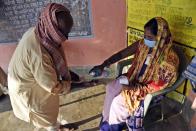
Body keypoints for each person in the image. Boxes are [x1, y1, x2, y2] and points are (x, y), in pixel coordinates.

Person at [89, 17, 179, 130]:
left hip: (147, 91)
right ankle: (106, 122)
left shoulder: (169, 60)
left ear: (161, 36)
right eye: (145, 36)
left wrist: (132, 88)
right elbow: (122, 54)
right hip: (133, 78)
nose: (146, 40)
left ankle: (112, 127)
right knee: (110, 88)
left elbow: (156, 87)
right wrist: (103, 65)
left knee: (118, 103)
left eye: (150, 37)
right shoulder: (143, 44)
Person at [8, 3, 75, 131]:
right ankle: (53, 128)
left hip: (29, 76)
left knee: (50, 109)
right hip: (28, 89)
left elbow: (51, 63)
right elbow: (53, 87)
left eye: (67, 33)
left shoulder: (39, 30)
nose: (66, 38)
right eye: (63, 34)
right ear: (53, 30)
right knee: (46, 115)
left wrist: (68, 74)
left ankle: (55, 126)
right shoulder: (39, 57)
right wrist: (69, 84)